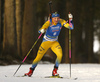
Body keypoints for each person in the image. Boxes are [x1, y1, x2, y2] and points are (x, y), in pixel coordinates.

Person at [24, 12, 74, 77]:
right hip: (46, 42)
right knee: (38, 57)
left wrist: (70, 19)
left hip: (54, 42)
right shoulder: (48, 22)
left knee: (60, 55)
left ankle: (55, 71)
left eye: (57, 18)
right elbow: (41, 29)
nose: (56, 19)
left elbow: (71, 27)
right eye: (55, 18)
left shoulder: (61, 21)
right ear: (52, 18)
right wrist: (42, 30)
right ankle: (30, 71)